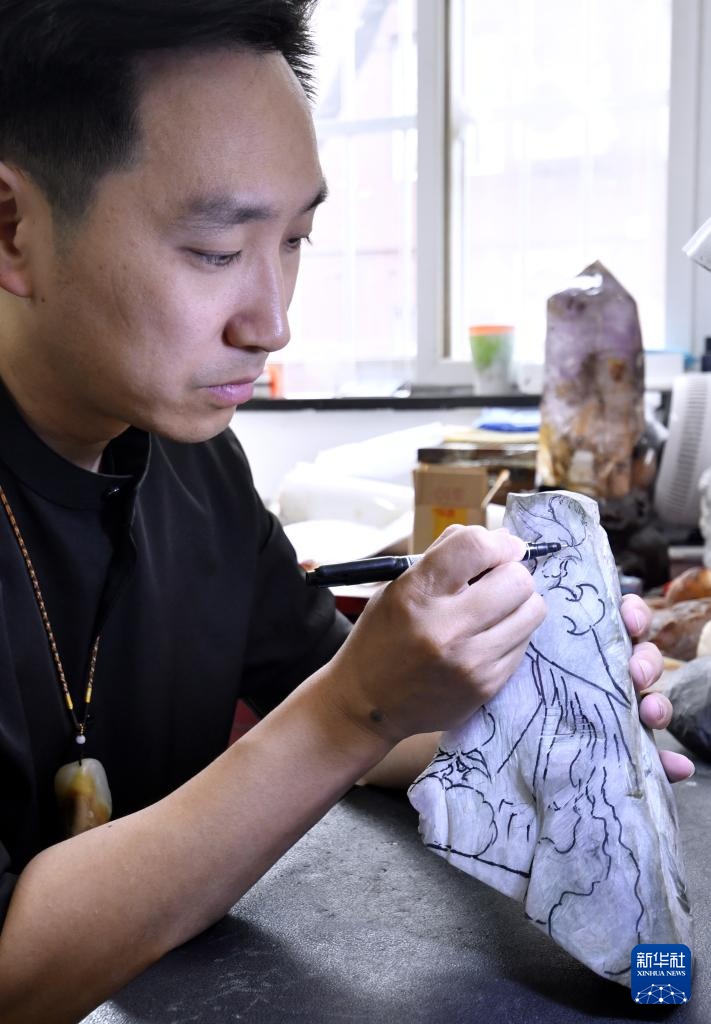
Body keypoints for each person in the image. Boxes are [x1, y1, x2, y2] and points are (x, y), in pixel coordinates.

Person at [0, 3, 692, 1022]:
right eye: (215, 249)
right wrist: (354, 707)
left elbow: (349, 703)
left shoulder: (197, 467)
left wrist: (522, 708)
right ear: (12, 229)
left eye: (295, 240)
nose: (273, 320)